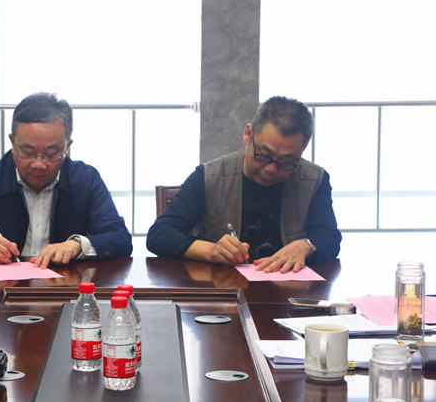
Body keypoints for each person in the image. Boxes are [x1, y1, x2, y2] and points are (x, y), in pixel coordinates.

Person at [0, 92, 132, 266]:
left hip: (65, 290)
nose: (38, 164)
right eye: (27, 152)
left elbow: (120, 238)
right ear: (12, 142)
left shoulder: (85, 180)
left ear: (67, 147)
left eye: (51, 154)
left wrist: (78, 245)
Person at [146, 96, 341, 273]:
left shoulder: (314, 179)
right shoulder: (210, 176)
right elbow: (159, 235)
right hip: (222, 290)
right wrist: (212, 250)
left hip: (289, 290)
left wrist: (307, 246)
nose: (271, 169)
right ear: (248, 134)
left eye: (286, 162)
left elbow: (329, 237)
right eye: (263, 155)